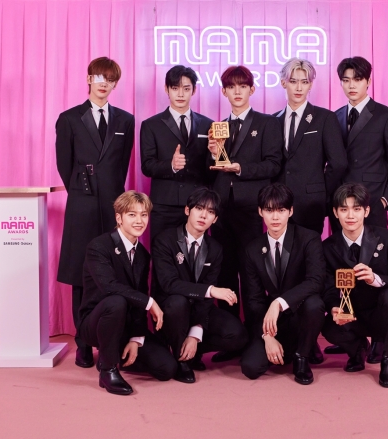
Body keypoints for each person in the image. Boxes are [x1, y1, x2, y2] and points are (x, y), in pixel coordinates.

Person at [55, 57, 135, 369]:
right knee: (81, 274)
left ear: (115, 84)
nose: (104, 83)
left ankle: (111, 339)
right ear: (89, 79)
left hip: (114, 207)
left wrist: (110, 194)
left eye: (110, 79)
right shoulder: (69, 119)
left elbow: (122, 166)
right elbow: (65, 166)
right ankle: (84, 343)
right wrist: (83, 192)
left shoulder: (125, 120)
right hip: (82, 206)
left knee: (112, 272)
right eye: (99, 77)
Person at [207, 66, 283, 361]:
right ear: (224, 91)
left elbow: (273, 164)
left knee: (252, 274)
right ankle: (231, 340)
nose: (237, 91)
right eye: (231, 87)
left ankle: (256, 336)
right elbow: (211, 170)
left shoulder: (267, 123)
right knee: (224, 272)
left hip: (251, 210)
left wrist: (241, 168)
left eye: (242, 86)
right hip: (221, 211)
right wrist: (213, 153)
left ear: (252, 89)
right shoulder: (218, 126)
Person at [79, 191, 177, 395]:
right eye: (132, 214)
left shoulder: (143, 255)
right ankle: (108, 370)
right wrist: (150, 302)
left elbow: (139, 296)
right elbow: (109, 286)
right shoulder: (99, 246)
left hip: (125, 326)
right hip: (95, 323)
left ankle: (112, 355)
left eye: (144, 215)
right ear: (119, 218)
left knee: (166, 368)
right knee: (116, 301)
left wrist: (136, 338)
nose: (139, 221)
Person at [321, 183, 388, 388]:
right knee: (327, 326)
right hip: (352, 315)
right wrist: (334, 307)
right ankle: (358, 349)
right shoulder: (327, 247)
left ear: (366, 211)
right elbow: (328, 288)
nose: (350, 215)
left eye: (356, 209)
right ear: (335, 213)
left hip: (382, 312)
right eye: (344, 209)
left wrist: (376, 279)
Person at [151, 188, 248, 383]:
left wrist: (196, 333)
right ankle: (181, 359)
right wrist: (210, 290)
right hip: (171, 310)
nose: (204, 215)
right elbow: (169, 284)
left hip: (198, 310)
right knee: (178, 302)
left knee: (237, 335)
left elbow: (206, 298)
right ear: (187, 210)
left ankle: (192, 351)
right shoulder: (165, 240)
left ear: (215, 219)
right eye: (199, 208)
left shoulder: (215, 248)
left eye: (210, 212)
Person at [240, 183, 326, 385]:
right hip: (272, 323)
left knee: (314, 303)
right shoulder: (252, 249)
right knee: (250, 367)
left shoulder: (309, 239)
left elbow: (316, 280)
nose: (275, 217)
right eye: (269, 210)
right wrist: (266, 336)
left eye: (281, 210)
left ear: (291, 211)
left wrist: (279, 302)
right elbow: (254, 300)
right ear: (260, 212)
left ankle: (302, 355)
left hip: (301, 314)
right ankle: (292, 347)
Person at [140, 65, 215, 241]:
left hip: (197, 205)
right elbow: (147, 165)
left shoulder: (208, 124)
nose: (180, 94)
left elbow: (211, 172)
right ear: (166, 89)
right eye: (175, 88)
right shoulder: (151, 125)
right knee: (161, 251)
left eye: (186, 89)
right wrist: (171, 166)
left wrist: (213, 155)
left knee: (196, 253)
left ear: (194, 90)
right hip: (164, 204)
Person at [274, 58, 347, 235]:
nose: (299, 88)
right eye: (293, 81)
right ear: (283, 83)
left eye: (304, 82)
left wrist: (320, 191)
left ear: (311, 85)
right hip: (278, 205)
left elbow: (338, 163)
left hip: (311, 204)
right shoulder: (273, 120)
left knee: (310, 249)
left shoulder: (325, 118)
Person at [333, 56, 388, 230]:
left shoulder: (387, 116)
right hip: (341, 204)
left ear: (368, 81)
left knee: (373, 247)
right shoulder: (335, 117)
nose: (351, 85)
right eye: (346, 80)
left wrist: (385, 200)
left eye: (357, 79)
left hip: (371, 202)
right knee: (339, 248)